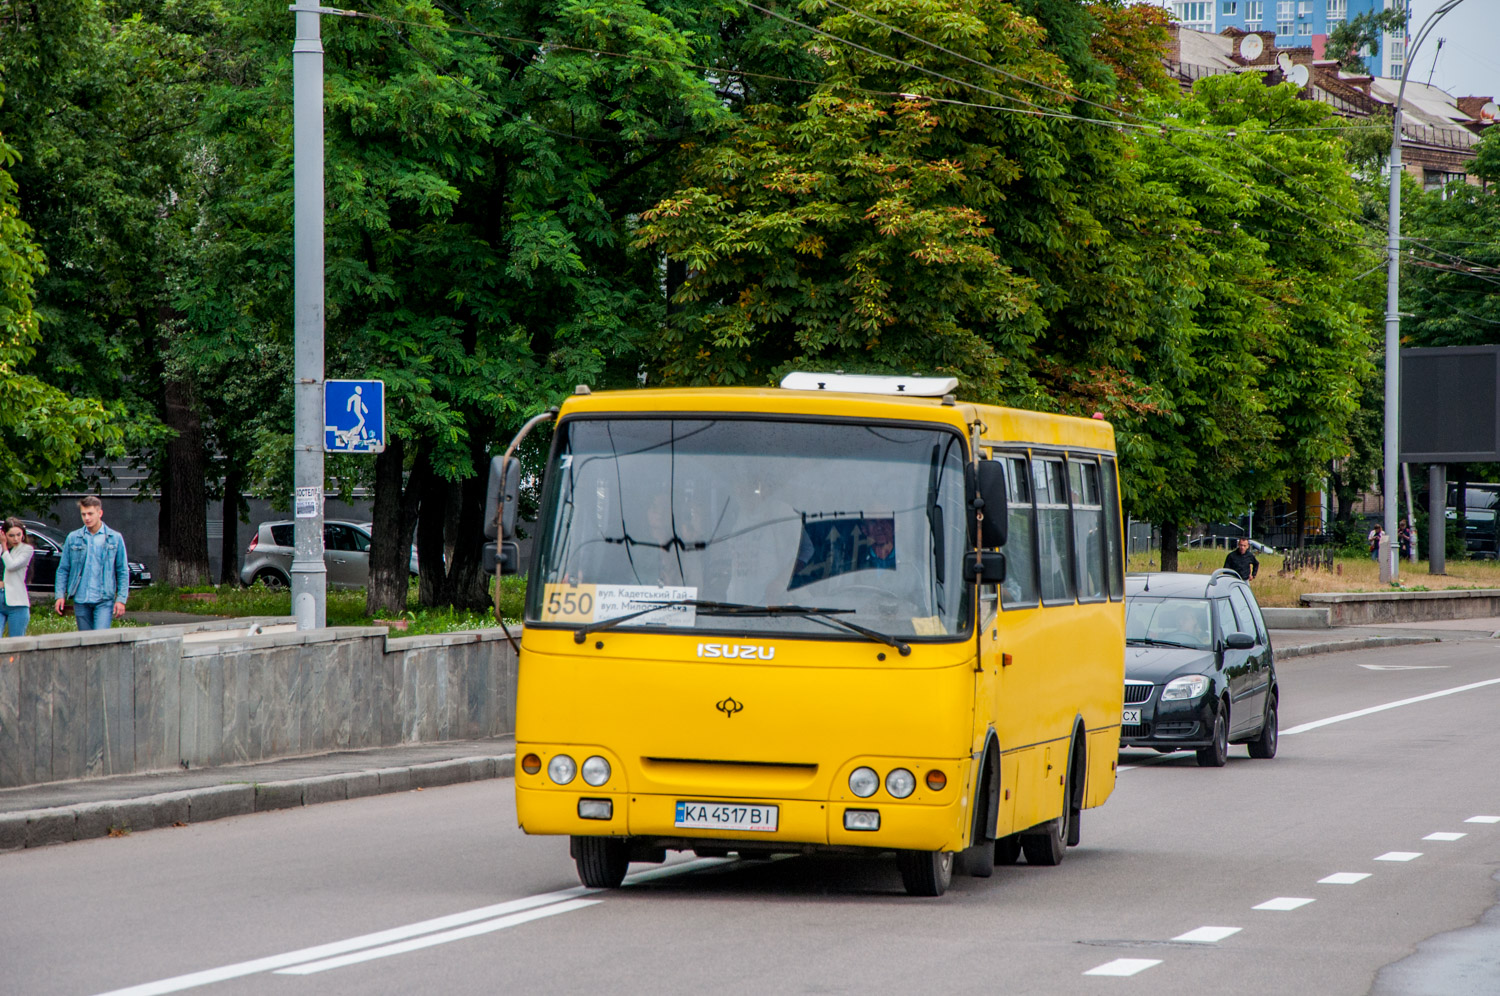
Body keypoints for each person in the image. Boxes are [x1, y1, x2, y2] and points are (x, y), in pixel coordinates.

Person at [53, 496, 130, 630]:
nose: (87, 518)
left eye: (90, 514)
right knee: (85, 640)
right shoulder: (73, 538)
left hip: (104, 598)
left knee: (100, 639)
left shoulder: (114, 538)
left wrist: (121, 599)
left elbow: (122, 570)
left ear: (100, 513)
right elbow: (63, 569)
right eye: (83, 514)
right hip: (81, 598)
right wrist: (60, 595)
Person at [2, 517, 34, 637]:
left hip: (16, 601)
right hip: (1, 596)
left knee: (16, 642)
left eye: (18, 534)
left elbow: (11, 565)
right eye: (11, 535)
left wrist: (4, 547)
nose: (16, 539)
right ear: (4, 535)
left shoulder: (26, 549)